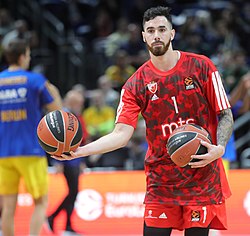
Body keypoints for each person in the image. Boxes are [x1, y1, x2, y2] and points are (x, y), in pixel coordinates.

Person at [52, 6, 234, 236]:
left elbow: (225, 114)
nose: (156, 35)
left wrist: (220, 148)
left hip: (201, 175)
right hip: (162, 182)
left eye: (161, 29)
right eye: (150, 30)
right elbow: (121, 134)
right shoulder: (135, 84)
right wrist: (80, 151)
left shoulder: (202, 66)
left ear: (172, 33)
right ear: (143, 36)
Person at [0, 38, 62, 236]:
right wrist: (55, 92)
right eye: (28, 54)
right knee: (41, 201)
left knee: (8, 206)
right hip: (30, 150)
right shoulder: (35, 80)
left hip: (3, 153)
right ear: (23, 56)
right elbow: (57, 111)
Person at [48, 89, 89, 234]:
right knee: (73, 192)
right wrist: (58, 163)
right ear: (72, 102)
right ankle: (55, 218)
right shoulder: (64, 117)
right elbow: (56, 140)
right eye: (79, 103)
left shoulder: (76, 116)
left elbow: (81, 141)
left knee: (73, 192)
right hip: (66, 161)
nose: (81, 106)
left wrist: (82, 161)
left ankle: (65, 223)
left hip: (75, 160)